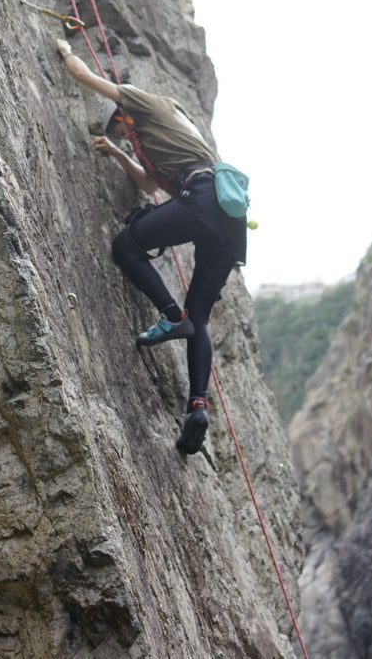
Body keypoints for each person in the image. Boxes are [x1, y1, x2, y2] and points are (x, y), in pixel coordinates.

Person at [56, 37, 247, 455]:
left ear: (124, 113)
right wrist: (118, 155)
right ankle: (197, 407)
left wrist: (66, 48)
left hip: (202, 199)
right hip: (228, 221)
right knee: (201, 318)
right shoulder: (162, 148)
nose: (120, 135)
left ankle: (170, 315)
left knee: (126, 246)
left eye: (117, 128)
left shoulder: (148, 105)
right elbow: (148, 184)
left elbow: (84, 76)